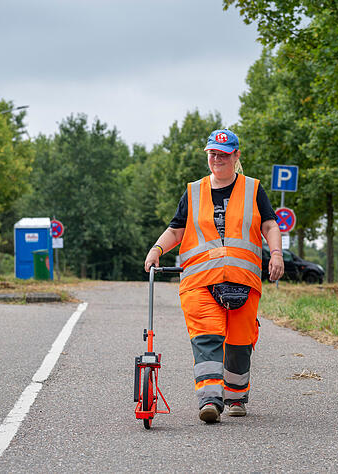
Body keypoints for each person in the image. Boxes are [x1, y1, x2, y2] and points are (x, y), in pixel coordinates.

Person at [144, 129, 284, 424]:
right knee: (207, 338)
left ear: (236, 156)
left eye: (223, 154)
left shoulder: (253, 189)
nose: (217, 159)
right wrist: (157, 249)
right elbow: (177, 229)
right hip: (200, 282)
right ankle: (210, 399)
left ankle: (235, 396)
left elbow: (270, 225)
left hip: (243, 279)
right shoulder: (194, 191)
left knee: (239, 343)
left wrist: (276, 253)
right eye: (212, 154)